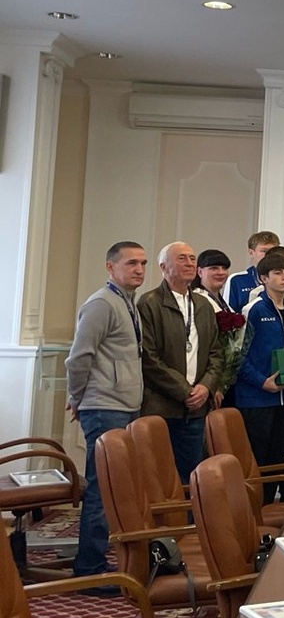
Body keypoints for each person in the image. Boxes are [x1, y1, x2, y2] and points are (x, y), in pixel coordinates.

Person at [65, 241, 147, 585]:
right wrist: (76, 397)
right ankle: (89, 569)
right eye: (131, 263)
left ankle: (105, 558)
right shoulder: (101, 303)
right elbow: (78, 357)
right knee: (101, 489)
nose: (140, 270)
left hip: (125, 405)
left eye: (143, 263)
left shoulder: (127, 301)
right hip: (104, 407)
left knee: (117, 488)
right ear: (110, 267)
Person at [137, 241, 223, 482]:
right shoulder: (149, 303)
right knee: (160, 479)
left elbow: (216, 353)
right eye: (182, 258)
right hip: (162, 408)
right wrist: (185, 391)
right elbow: (149, 358)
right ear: (163, 267)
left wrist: (205, 387)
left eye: (193, 258)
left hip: (196, 409)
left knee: (192, 478)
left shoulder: (203, 305)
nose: (190, 263)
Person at [233, 250, 284, 494]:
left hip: (282, 397)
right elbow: (237, 355)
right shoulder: (254, 310)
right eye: (278, 273)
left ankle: (269, 507)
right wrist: (261, 382)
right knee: (256, 460)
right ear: (263, 278)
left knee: (275, 458)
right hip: (255, 398)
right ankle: (252, 509)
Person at [223, 230, 280, 313]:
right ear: (251, 253)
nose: (269, 255)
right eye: (264, 251)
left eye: (273, 251)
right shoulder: (236, 280)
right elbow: (228, 313)